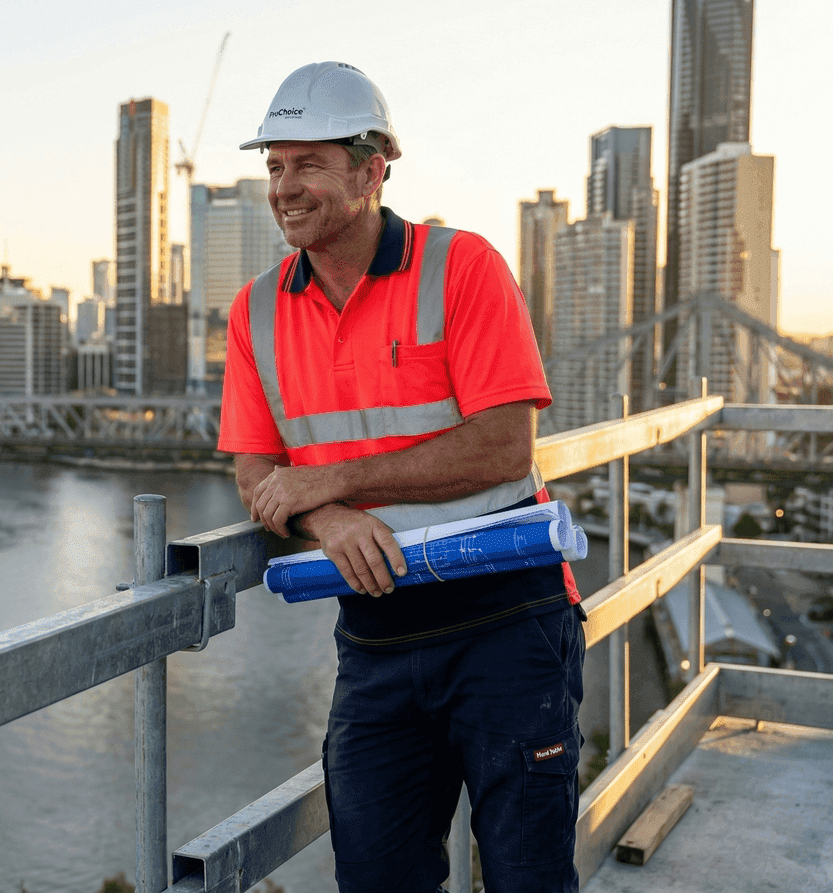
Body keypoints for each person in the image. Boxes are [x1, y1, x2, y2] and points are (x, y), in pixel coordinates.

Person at [218, 61, 585, 893]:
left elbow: (503, 447)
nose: (285, 186)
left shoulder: (463, 268)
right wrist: (330, 519)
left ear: (371, 167)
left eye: (307, 163)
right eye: (274, 166)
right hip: (377, 643)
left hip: (508, 626)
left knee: (528, 877)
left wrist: (330, 480)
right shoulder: (256, 311)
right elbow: (257, 467)